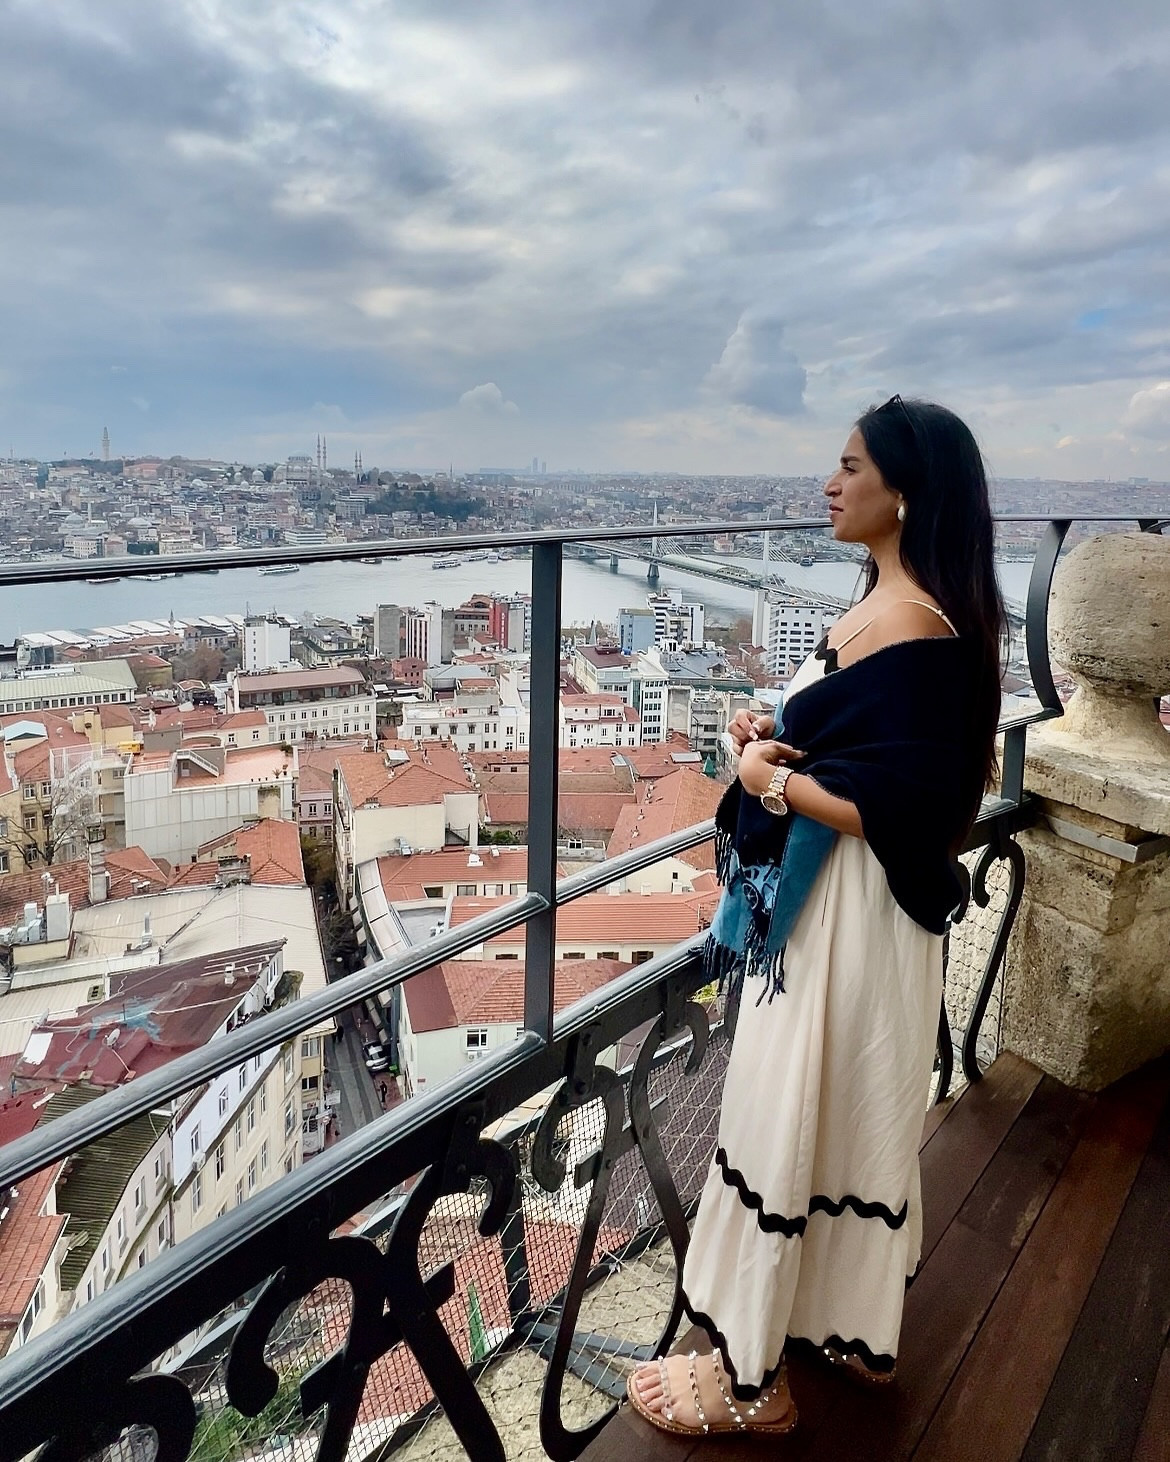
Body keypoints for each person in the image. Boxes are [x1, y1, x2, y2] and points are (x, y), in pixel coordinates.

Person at [627, 396, 1005, 1439]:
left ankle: (752, 1381)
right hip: (852, 914)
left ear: (905, 492)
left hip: (843, 919)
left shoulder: (913, 625)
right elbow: (864, 747)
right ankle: (846, 1326)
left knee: (784, 1112)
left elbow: (911, 804)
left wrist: (770, 781)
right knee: (843, 1117)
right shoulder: (903, 605)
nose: (829, 485)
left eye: (850, 467)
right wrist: (774, 733)